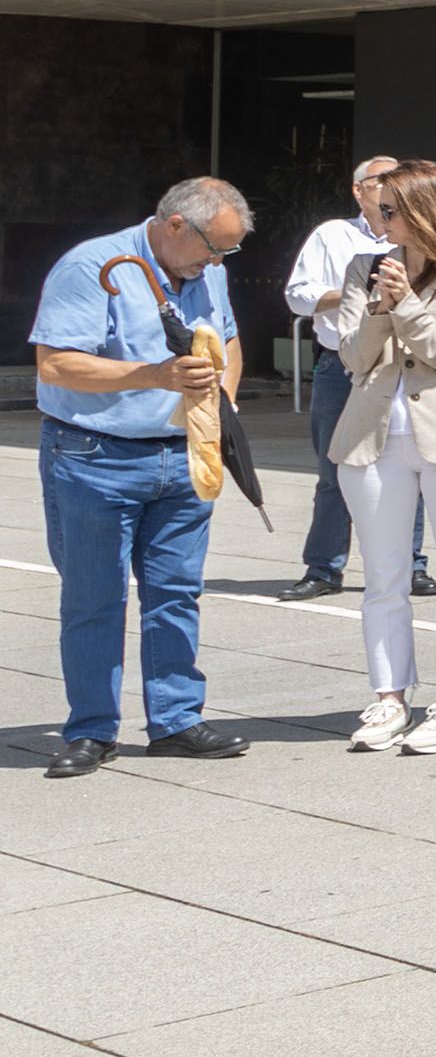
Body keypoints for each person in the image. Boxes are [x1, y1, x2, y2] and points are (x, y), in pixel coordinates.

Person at [30, 177, 257, 777]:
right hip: (94, 455)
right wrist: (153, 377)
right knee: (94, 598)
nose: (219, 262)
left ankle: (176, 720)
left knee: (176, 594)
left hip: (182, 454)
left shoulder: (208, 268)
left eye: (227, 253)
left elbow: (227, 342)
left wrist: (220, 405)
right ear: (177, 224)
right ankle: (92, 730)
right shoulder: (92, 266)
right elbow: (56, 364)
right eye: (216, 248)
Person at [326, 162, 436, 755]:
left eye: (391, 210)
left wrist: (404, 303)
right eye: (380, 210)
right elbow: (353, 357)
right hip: (370, 436)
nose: (381, 221)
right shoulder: (364, 268)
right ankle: (389, 694)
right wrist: (381, 304)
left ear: (428, 210)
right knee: (382, 575)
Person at [281, 155, 417, 602]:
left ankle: (412, 565)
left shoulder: (420, 232)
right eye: (383, 181)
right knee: (333, 469)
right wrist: (359, 288)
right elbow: (298, 296)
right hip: (342, 363)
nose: (392, 188)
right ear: (359, 190)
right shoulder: (332, 235)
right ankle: (324, 568)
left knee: (408, 464)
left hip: (402, 363)